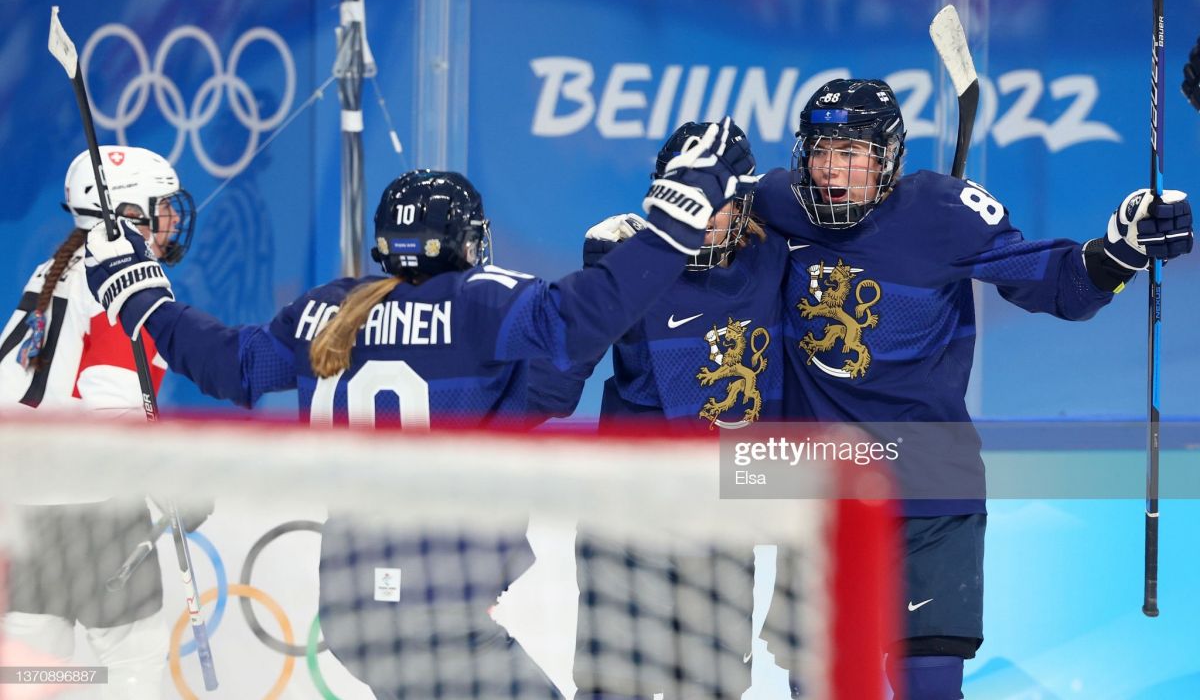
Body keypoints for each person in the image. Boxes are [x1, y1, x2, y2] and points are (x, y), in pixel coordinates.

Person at [79, 118, 754, 699]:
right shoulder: (477, 303)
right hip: (439, 614)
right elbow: (577, 323)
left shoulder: (331, 306)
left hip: (353, 612)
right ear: (465, 241)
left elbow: (232, 365)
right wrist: (673, 223)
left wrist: (144, 301)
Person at [751, 79, 1194, 699]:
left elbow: (1059, 285)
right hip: (825, 494)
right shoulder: (774, 202)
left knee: (928, 688)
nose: (833, 169)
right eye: (822, 150)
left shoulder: (947, 214)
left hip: (931, 487)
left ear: (887, 158)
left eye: (853, 152)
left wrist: (1118, 252)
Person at [529, 121, 795, 699]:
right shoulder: (628, 257)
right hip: (626, 513)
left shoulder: (779, 254)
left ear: (744, 204)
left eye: (714, 203)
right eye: (686, 199)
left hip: (724, 519)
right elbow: (560, 370)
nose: (700, 218)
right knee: (611, 689)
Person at [0, 145, 198, 699]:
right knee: (130, 669)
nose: (175, 217)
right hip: (98, 514)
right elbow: (118, 411)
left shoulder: (53, 269)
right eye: (163, 206)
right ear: (129, 213)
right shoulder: (125, 277)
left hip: (24, 513)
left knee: (35, 677)